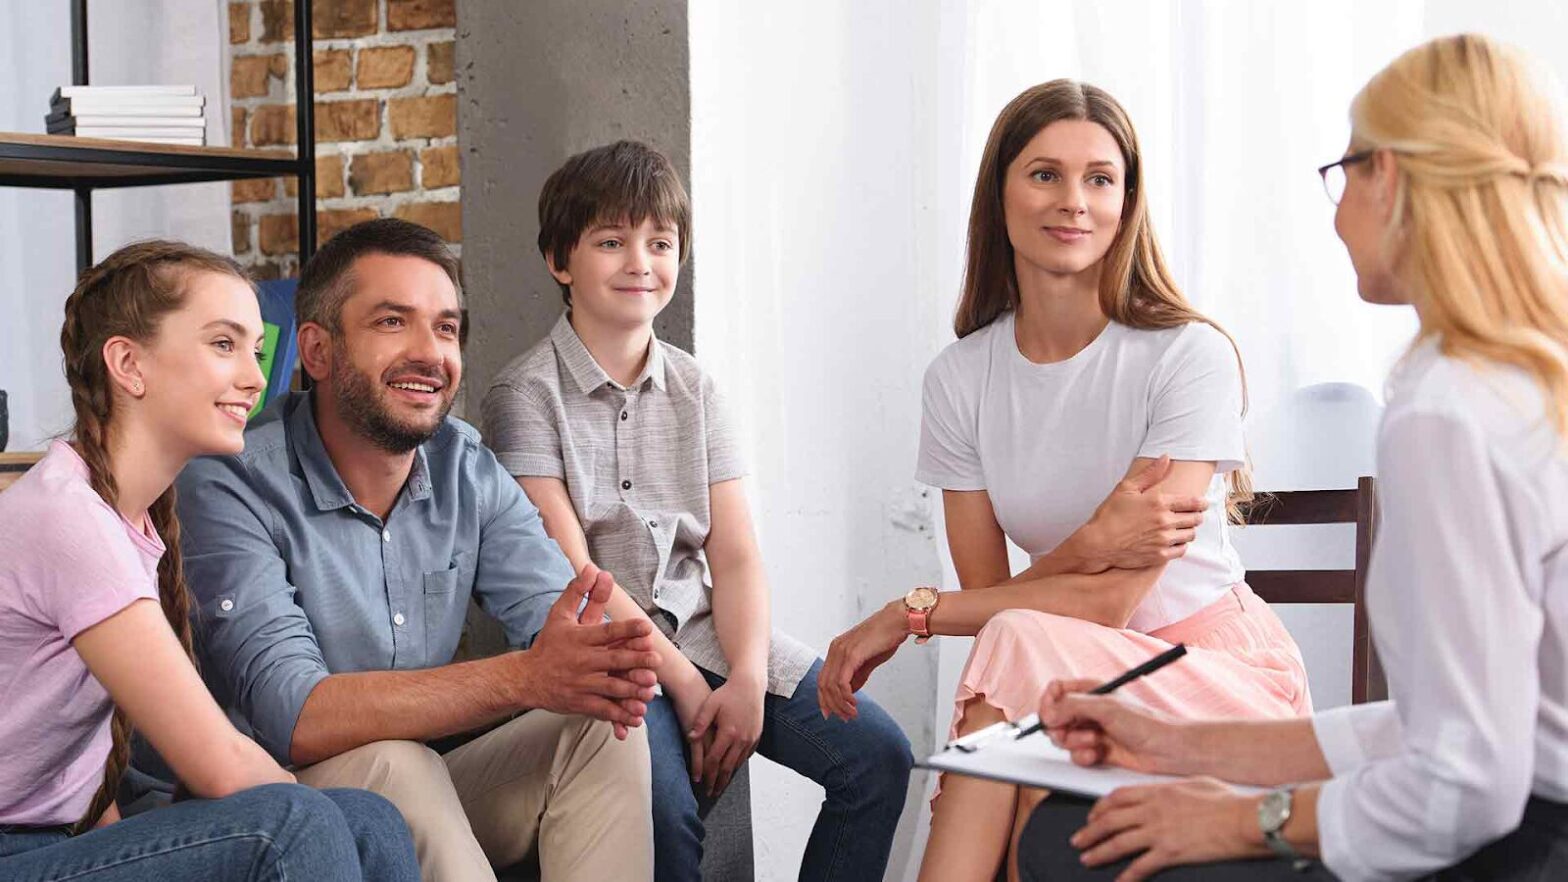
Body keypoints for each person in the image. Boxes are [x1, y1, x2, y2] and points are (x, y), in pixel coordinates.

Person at [1021, 33, 1568, 882]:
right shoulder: (1518, 383)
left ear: (1391, 176)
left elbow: (1469, 783)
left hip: (1524, 850)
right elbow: (1460, 725)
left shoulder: (1450, 414)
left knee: (1071, 842)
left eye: (1344, 168)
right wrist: (1178, 741)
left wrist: (1244, 821)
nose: (1337, 203)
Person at [816, 79, 1313, 881]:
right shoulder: (960, 379)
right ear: (1001, 194)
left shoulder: (1188, 357)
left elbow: (1105, 605)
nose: (1074, 201)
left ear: (1127, 199)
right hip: (1060, 673)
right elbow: (994, 602)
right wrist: (1092, 544)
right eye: (1045, 174)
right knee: (1018, 656)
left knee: (1019, 651)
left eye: (1100, 178)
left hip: (1213, 678)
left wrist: (908, 617)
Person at [480, 140, 915, 882]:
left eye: (659, 242)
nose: (639, 262)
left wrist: (746, 680)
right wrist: (685, 686)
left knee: (878, 755)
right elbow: (573, 574)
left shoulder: (696, 388)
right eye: (611, 242)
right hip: (608, 654)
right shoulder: (522, 396)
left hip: (710, 635)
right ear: (561, 261)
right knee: (663, 813)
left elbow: (736, 554)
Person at [175, 219, 661, 882]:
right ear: (316, 351)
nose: (429, 352)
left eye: (446, 327)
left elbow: (572, 638)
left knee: (599, 731)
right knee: (396, 764)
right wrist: (524, 676)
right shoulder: (230, 480)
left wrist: (591, 659)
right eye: (392, 323)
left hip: (418, 791)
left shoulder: (466, 467)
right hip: (266, 816)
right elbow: (291, 714)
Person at [0, 241, 418, 881]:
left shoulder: (125, 516)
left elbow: (76, 768)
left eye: (255, 349)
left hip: (49, 843)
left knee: (370, 818)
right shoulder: (69, 519)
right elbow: (219, 764)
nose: (254, 377)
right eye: (224, 345)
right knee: (295, 823)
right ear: (129, 364)